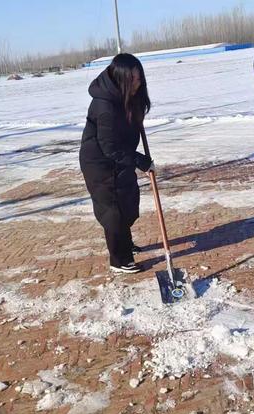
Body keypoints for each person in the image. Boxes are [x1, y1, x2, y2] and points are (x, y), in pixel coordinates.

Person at [79, 53, 154, 274]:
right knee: (113, 210)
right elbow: (109, 146)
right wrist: (140, 160)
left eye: (139, 79)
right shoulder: (105, 106)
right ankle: (119, 259)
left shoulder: (123, 96)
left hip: (120, 156)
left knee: (128, 202)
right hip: (100, 163)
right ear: (121, 79)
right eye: (133, 80)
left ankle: (125, 243)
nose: (138, 84)